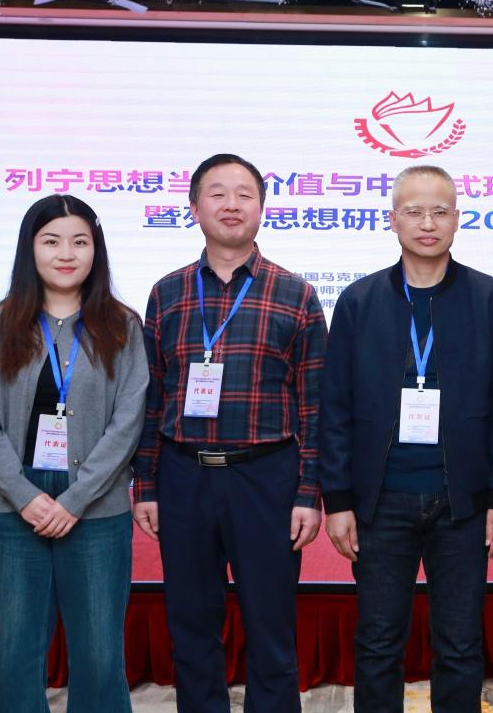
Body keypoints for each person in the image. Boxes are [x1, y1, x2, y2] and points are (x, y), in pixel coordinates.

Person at [319, 165, 493, 712]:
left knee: (459, 645)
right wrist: (337, 501)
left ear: (457, 219)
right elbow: (335, 408)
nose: (427, 223)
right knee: (378, 642)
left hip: (463, 504)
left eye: (439, 211)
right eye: (414, 211)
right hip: (380, 501)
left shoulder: (490, 300)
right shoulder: (360, 302)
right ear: (393, 220)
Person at [130, 153, 326, 713]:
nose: (231, 205)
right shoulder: (167, 293)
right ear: (194, 207)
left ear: (263, 208)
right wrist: (146, 485)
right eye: (217, 193)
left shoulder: (295, 294)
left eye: (244, 194)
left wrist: (308, 493)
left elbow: (315, 407)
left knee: (271, 625)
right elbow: (152, 398)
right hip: (183, 475)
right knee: (191, 625)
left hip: (266, 477)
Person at [0, 194, 148, 713]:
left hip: (96, 505)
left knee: (99, 653)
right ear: (30, 249)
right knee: (16, 652)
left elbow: (128, 420)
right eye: (51, 241)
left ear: (96, 250)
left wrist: (76, 499)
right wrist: (23, 496)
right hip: (13, 503)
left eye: (79, 242)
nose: (66, 254)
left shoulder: (122, 326)